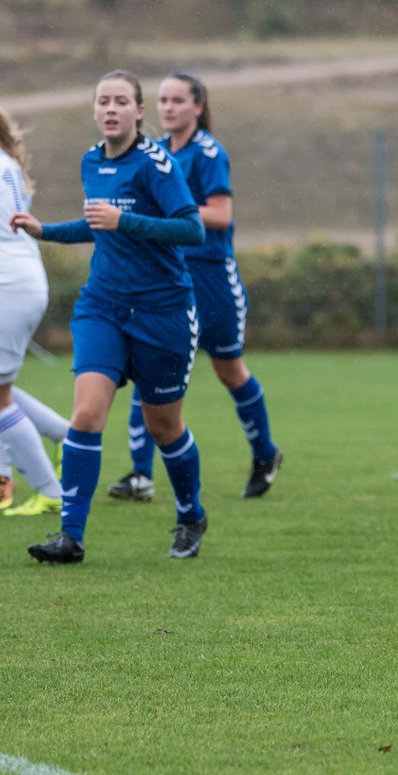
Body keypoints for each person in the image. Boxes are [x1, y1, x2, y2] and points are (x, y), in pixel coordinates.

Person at [9, 70, 209, 564]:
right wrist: (45, 230)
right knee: (86, 415)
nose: (112, 109)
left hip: (162, 312)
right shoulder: (91, 162)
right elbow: (99, 226)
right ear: (95, 110)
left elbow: (192, 230)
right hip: (103, 307)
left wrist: (128, 221)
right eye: (104, 101)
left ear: (139, 112)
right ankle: (70, 537)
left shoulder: (155, 164)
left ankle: (190, 515)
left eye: (122, 101)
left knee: (164, 427)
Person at [107, 72, 282, 503]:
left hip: (210, 279)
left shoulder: (208, 153)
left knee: (229, 371)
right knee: (148, 364)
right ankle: (141, 475)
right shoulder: (155, 153)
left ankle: (265, 453)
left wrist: (172, 213)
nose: (168, 108)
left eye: (178, 100)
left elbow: (221, 215)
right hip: (167, 279)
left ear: (198, 107)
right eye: (163, 100)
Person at [0, 108, 67, 517]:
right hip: (20, 281)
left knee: (0, 397)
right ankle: (63, 434)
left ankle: (51, 492)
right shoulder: (7, 163)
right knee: (1, 389)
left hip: (7, 285)